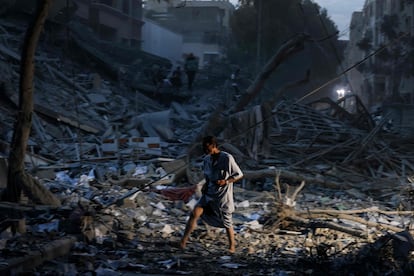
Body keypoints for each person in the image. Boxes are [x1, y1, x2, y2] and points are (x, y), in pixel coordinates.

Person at [180, 136, 243, 253]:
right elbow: (207, 175)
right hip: (209, 193)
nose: (206, 151)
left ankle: (232, 247)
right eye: (204, 148)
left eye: (208, 148)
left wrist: (226, 181)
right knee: (195, 213)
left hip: (222, 195)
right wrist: (205, 185)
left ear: (214, 146)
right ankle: (183, 242)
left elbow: (238, 174)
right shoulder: (207, 160)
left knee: (227, 222)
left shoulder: (227, 158)